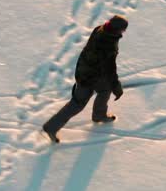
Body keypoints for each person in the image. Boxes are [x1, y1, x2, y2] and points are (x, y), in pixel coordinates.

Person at [42, 15, 128, 143]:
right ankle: (51, 127)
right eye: (123, 29)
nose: (123, 32)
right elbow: (110, 69)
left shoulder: (100, 29)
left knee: (103, 91)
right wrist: (116, 86)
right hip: (89, 77)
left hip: (86, 71)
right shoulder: (108, 43)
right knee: (78, 103)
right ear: (116, 29)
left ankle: (99, 115)